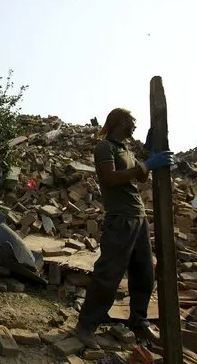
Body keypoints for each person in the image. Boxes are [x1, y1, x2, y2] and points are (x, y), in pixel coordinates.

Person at [74, 108, 174, 349]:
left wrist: (149, 156)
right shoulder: (104, 148)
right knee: (109, 273)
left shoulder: (126, 149)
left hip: (138, 217)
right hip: (120, 218)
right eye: (132, 122)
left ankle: (138, 322)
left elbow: (140, 178)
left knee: (144, 274)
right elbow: (110, 178)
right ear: (120, 122)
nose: (135, 127)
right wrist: (147, 163)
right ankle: (86, 326)